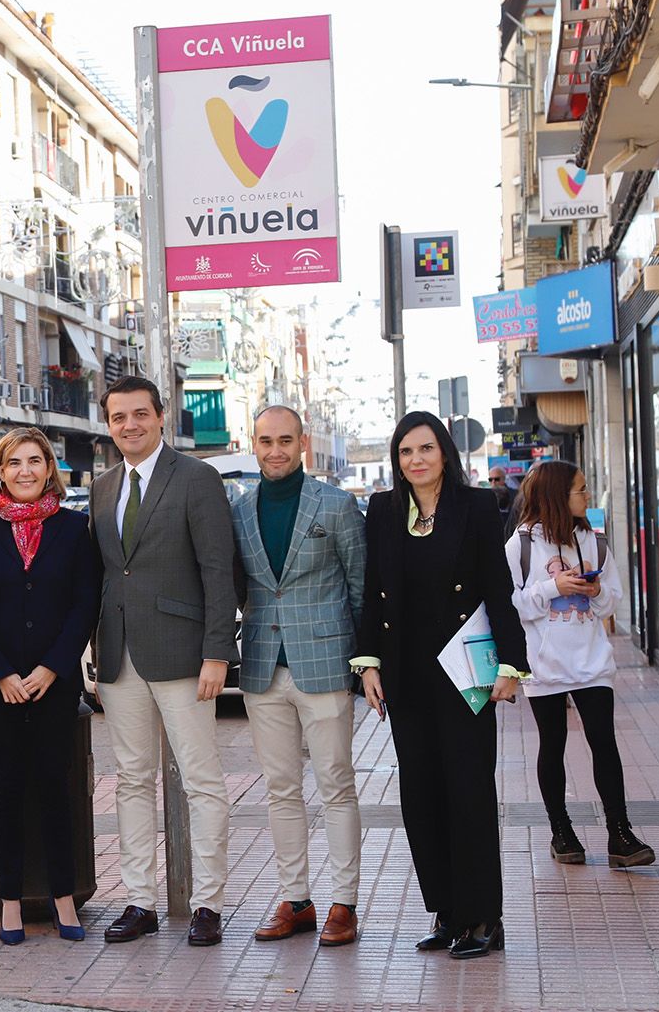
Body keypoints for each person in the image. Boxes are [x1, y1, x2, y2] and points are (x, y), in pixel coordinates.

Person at [353, 412, 527, 960]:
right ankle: (449, 912)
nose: (416, 460)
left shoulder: (476, 507)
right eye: (406, 452)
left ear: (445, 454)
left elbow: (499, 591)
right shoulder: (382, 511)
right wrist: (368, 665)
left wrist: (509, 665)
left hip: (465, 672)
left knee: (469, 792)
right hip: (406, 674)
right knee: (421, 796)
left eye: (426, 449)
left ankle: (484, 919)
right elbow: (372, 591)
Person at [89, 375, 236, 947]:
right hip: (118, 656)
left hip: (184, 655)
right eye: (119, 416)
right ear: (109, 424)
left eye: (140, 414)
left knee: (202, 781)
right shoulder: (103, 488)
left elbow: (218, 572)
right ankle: (139, 900)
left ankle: (208, 905)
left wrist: (217, 653)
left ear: (161, 415)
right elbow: (106, 574)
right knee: (130, 781)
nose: (130, 424)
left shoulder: (197, 479)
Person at [0, 427, 102, 944]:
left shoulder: (74, 528)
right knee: (6, 790)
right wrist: (0, 673)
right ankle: (11, 900)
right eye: (13, 462)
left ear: (49, 470)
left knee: (54, 786)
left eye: (34, 462)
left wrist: (51, 668)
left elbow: (83, 605)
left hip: (54, 683)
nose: (24, 471)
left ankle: (65, 895)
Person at [231, 406, 366, 947]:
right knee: (280, 788)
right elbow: (242, 586)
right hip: (264, 664)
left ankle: (344, 903)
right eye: (266, 441)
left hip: (326, 664)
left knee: (336, 784)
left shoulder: (336, 505)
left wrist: (361, 664)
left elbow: (359, 588)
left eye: (285, 440)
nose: (275, 450)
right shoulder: (238, 511)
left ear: (303, 443)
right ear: (254, 443)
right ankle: (296, 899)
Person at [505, 461, 656, 870]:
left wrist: (593, 590)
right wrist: (555, 586)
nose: (587, 496)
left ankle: (620, 834)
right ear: (557, 494)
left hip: (592, 661)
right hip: (544, 664)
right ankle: (561, 831)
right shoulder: (520, 546)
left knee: (603, 743)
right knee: (551, 745)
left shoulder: (593, 541)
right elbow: (513, 606)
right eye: (581, 490)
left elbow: (612, 600)